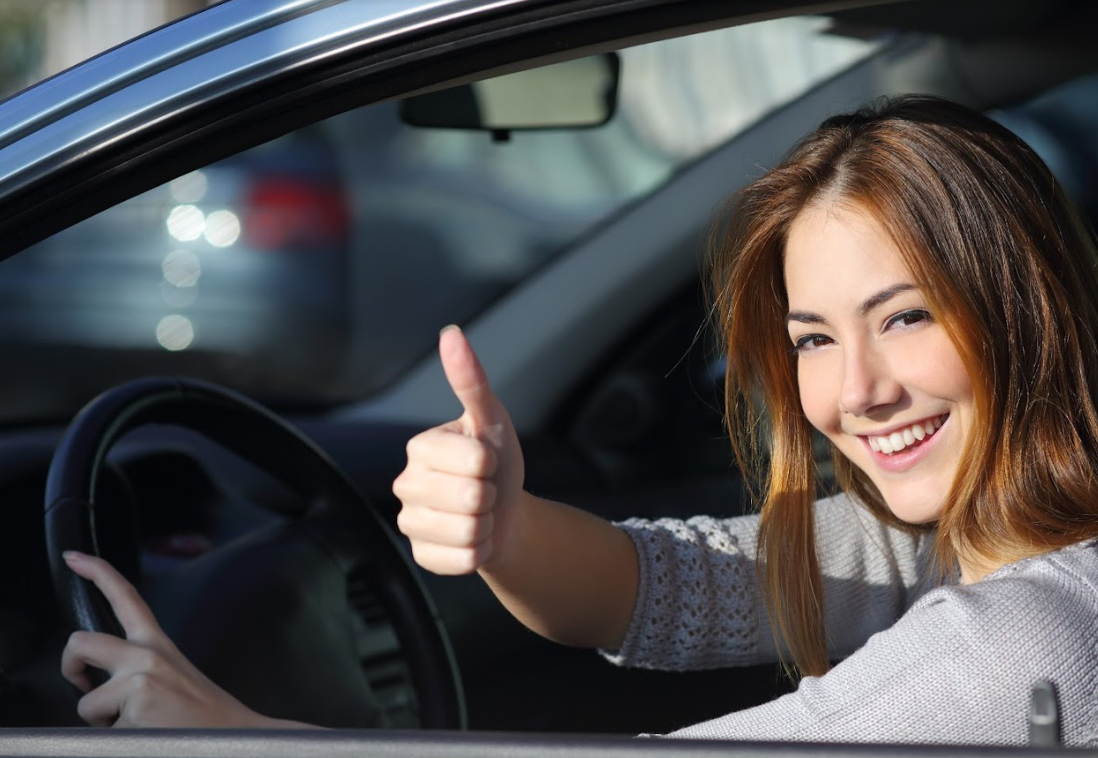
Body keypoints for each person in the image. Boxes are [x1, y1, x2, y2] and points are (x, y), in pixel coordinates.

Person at [60, 95, 1098, 744]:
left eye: (906, 316)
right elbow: (664, 585)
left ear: (1026, 306)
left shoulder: (1029, 638)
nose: (856, 389)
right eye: (815, 338)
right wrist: (506, 528)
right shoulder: (958, 537)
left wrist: (229, 734)